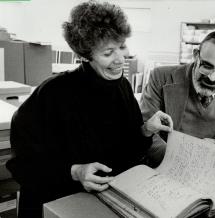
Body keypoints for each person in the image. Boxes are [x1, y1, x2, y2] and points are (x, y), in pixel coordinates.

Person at [6, 1, 173, 217]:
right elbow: (22, 163)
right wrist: (75, 172)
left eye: (122, 46)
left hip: (111, 197)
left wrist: (146, 130)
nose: (120, 60)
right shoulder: (52, 94)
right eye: (108, 53)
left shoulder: (121, 86)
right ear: (86, 55)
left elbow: (127, 151)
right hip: (61, 201)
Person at [141, 30, 215, 166]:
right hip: (167, 166)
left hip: (213, 168)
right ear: (196, 55)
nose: (212, 77)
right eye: (207, 66)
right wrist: (179, 160)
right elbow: (145, 130)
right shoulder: (161, 77)